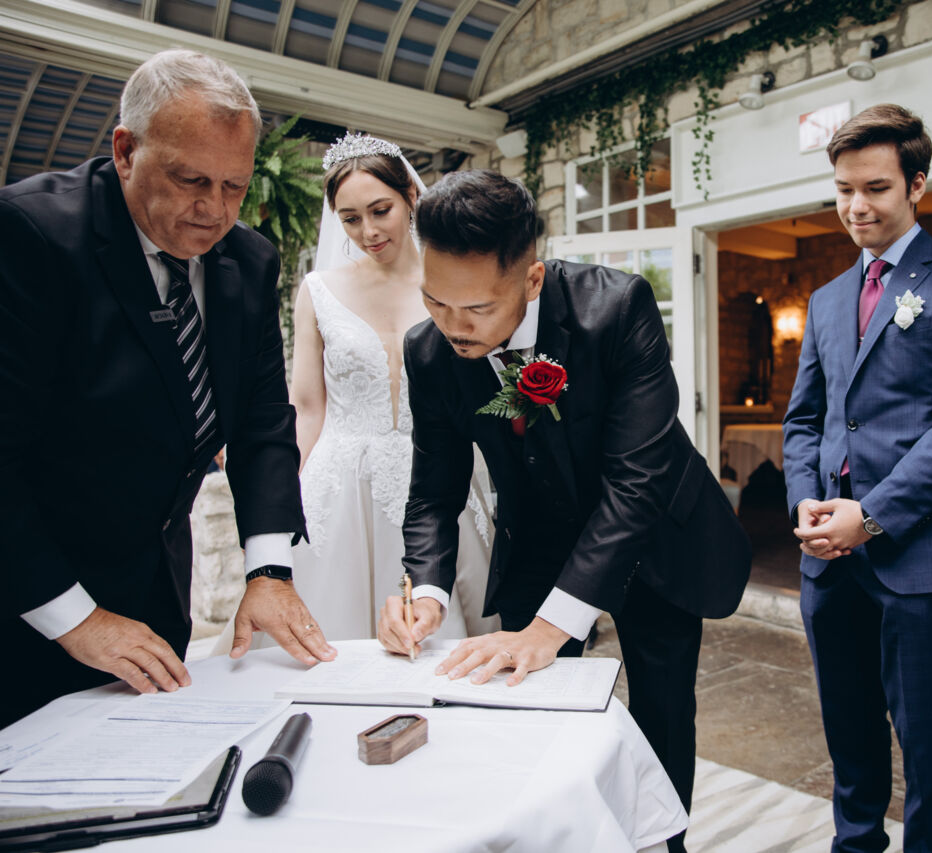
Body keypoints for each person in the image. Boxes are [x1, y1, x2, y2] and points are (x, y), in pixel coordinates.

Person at [375, 169, 752, 850]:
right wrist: (425, 592)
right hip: (539, 537)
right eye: (435, 300)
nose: (454, 326)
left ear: (532, 280)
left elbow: (635, 482)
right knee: (529, 708)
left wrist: (552, 626)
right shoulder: (428, 351)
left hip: (654, 535)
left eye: (477, 308)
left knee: (663, 710)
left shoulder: (618, 309)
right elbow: (434, 488)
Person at [0, 49, 334, 729]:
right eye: (191, 180)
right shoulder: (31, 235)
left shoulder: (249, 260)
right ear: (126, 151)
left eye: (235, 186)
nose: (215, 210)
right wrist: (77, 619)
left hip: (156, 592)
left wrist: (268, 571)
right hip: (31, 600)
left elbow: (263, 421)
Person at [781, 104, 932, 853]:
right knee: (847, 728)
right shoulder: (825, 300)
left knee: (927, 737)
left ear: (916, 184)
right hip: (827, 557)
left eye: (875, 187)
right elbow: (804, 421)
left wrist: (871, 516)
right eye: (844, 189)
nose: (856, 206)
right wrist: (805, 504)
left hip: (916, 552)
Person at [288, 132, 497, 640]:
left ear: (409, 197)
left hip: (437, 474)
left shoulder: (453, 282)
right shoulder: (318, 291)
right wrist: (283, 497)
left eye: (380, 211)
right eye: (350, 218)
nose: (368, 231)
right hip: (340, 490)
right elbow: (307, 408)